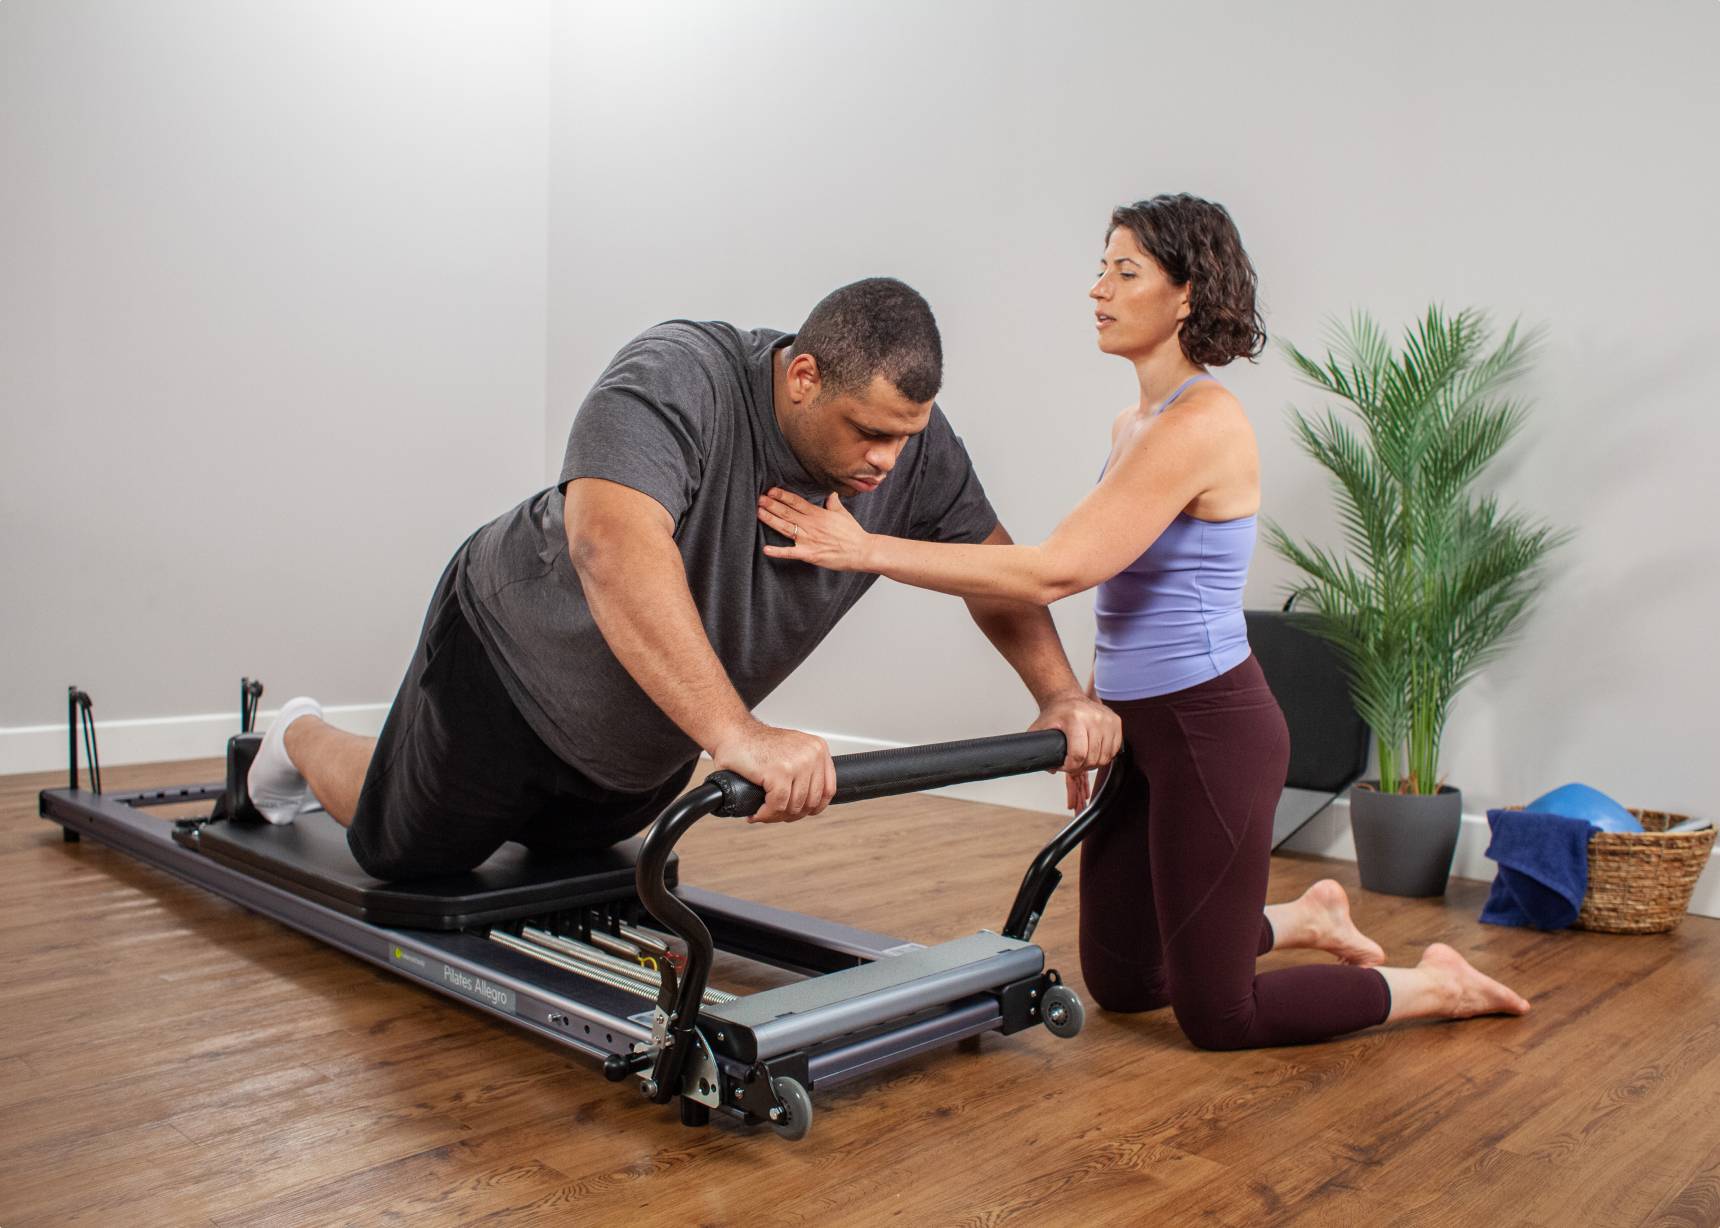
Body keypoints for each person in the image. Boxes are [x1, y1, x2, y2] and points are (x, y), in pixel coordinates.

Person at [753, 198, 1531, 1049]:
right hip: (1139, 721)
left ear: (1187, 295)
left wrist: (866, 550)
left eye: (1125, 272)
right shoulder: (1135, 425)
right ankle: (1302, 916)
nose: (1099, 289)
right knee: (1123, 983)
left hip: (1211, 726)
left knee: (1221, 1016)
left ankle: (1431, 986)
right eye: (1102, 267)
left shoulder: (1204, 425)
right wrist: (1088, 708)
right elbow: (1124, 602)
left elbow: (1058, 570)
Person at [244, 277, 1121, 880]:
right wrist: (735, 732)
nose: (889, 461)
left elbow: (991, 567)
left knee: (573, 862)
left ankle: (484, 791)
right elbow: (613, 546)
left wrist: (1056, 694)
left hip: (644, 736)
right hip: (513, 666)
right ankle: (297, 738)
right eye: (867, 433)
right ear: (803, 376)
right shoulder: (680, 374)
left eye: (906, 435)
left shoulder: (913, 447)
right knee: (408, 848)